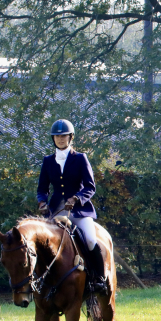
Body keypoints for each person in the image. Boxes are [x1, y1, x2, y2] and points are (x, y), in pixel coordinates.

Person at [37, 119, 108, 295]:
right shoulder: (48, 161)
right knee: (42, 244)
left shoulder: (80, 158)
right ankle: (40, 282)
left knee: (91, 240)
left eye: (64, 136)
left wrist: (77, 197)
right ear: (53, 139)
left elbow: (90, 186)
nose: (61, 139)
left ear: (71, 137)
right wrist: (42, 202)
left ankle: (100, 279)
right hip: (56, 211)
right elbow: (42, 189)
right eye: (57, 136)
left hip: (79, 210)